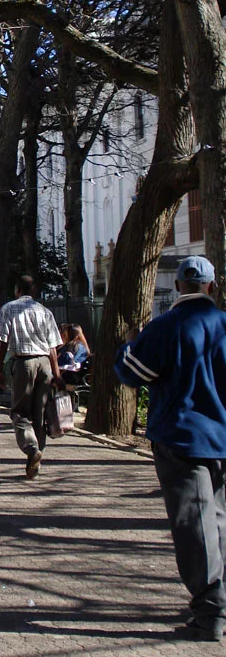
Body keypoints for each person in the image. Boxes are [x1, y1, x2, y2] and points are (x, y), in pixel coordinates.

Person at [115, 255, 226, 643]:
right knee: (217, 520)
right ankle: (216, 599)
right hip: (221, 437)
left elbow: (132, 371)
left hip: (181, 437)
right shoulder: (223, 325)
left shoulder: (166, 327)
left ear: (179, 285)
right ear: (211, 285)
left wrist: (129, 346)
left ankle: (211, 609)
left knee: (193, 524)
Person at [0, 275, 65, 479]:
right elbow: (52, 347)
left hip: (23, 363)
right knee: (40, 415)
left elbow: (2, 342)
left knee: (19, 412)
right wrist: (57, 374)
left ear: (17, 290)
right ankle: (35, 462)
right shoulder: (45, 312)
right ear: (34, 291)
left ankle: (32, 449)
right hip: (44, 364)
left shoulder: (9, 308)